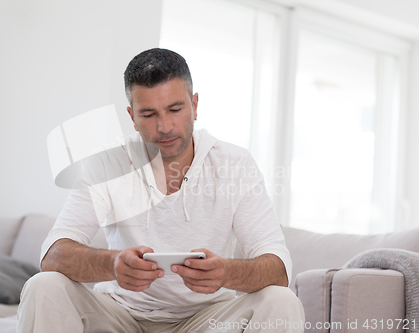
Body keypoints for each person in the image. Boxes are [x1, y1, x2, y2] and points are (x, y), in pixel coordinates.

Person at [17, 48, 305, 332]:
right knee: (44, 285)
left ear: (194, 105)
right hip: (119, 315)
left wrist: (227, 273)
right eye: (149, 114)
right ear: (132, 117)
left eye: (175, 109)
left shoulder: (234, 163)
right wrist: (113, 263)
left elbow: (278, 268)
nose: (164, 126)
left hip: (207, 319)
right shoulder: (108, 163)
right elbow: (52, 255)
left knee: (281, 300)